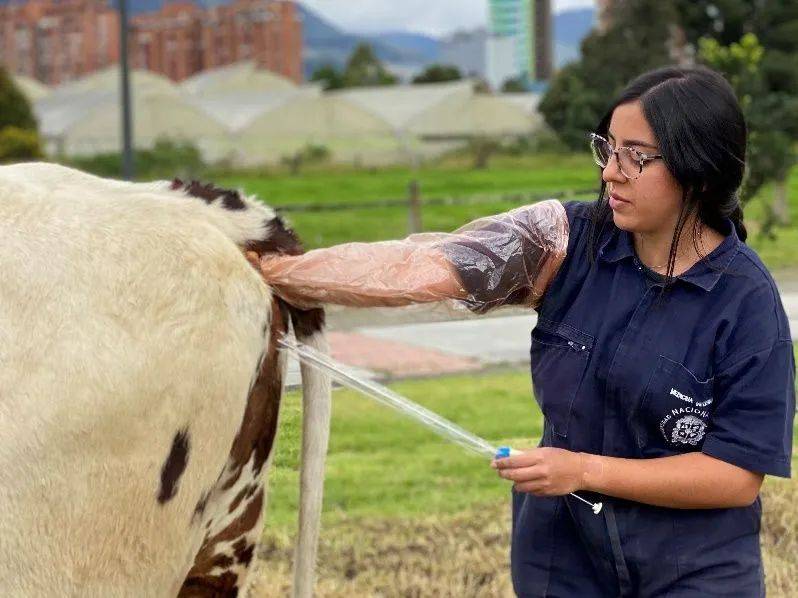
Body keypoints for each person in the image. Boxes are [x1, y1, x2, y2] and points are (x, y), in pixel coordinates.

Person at [252, 66, 795, 597]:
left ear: (697, 172)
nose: (610, 172)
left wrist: (584, 470)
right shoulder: (566, 242)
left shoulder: (745, 302)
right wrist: (271, 272)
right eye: (607, 149)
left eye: (637, 157)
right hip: (562, 561)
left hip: (692, 571)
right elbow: (425, 266)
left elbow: (734, 475)